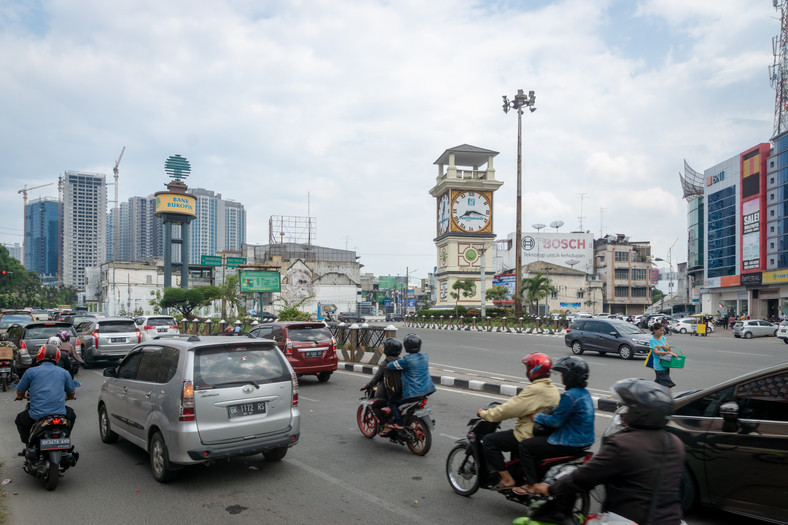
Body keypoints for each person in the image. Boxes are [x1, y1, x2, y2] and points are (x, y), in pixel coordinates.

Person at [530, 378, 685, 525]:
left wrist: (550, 488)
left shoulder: (623, 444)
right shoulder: (675, 443)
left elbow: (583, 477)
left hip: (629, 519)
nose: (625, 412)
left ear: (640, 413)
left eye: (630, 408)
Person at [476, 353, 560, 491]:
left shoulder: (535, 389)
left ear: (533, 369)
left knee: (489, 441)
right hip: (543, 434)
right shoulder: (553, 389)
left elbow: (510, 409)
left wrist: (485, 414)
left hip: (527, 434)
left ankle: (507, 479)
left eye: (528, 367)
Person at [512, 356, 595, 495]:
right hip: (584, 441)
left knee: (525, 446)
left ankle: (531, 484)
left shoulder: (569, 395)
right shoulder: (585, 394)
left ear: (570, 376)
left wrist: (537, 416)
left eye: (563, 374)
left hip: (567, 442)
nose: (562, 377)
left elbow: (555, 421)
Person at [15, 344, 77, 454]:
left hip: (37, 416)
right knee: (71, 414)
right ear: (57, 357)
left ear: (39, 356)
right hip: (60, 414)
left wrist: (21, 396)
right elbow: (71, 392)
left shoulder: (31, 372)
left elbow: (20, 391)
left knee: (20, 419)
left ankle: (28, 444)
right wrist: (70, 397)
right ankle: (65, 438)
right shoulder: (64, 372)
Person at [385, 333, 435, 427]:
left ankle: (399, 423)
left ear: (406, 346)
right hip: (426, 392)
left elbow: (390, 365)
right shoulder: (425, 357)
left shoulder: (406, 361)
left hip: (413, 394)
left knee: (391, 401)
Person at [361, 338, 403, 436]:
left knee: (375, 406)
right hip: (403, 393)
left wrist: (367, 386)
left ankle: (386, 425)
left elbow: (376, 379)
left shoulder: (385, 363)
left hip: (391, 394)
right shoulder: (402, 361)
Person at [649, 322, 678, 392]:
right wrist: (667, 352)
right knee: (668, 384)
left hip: (665, 364)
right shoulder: (652, 340)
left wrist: (662, 346)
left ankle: (651, 394)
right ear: (655, 331)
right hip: (659, 366)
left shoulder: (663, 338)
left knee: (659, 383)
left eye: (663, 330)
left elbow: (669, 348)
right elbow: (656, 352)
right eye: (660, 330)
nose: (662, 332)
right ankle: (671, 400)